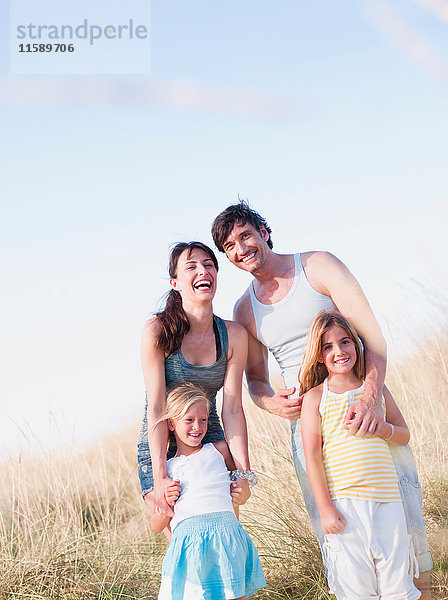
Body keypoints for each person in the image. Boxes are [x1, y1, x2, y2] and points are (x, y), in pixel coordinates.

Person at [211, 201, 432, 598]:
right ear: (227, 256)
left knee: (404, 532)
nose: (242, 247)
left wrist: (369, 394)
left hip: (362, 404)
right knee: (341, 536)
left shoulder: (318, 265)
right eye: (230, 245)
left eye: (246, 234)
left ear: (263, 230)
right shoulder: (244, 309)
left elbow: (373, 338)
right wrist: (271, 403)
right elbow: (257, 382)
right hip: (311, 424)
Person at [300, 311, 420, 600]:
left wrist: (383, 429)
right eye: (328, 347)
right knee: (356, 589)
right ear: (318, 356)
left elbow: (403, 434)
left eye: (345, 342)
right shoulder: (317, 397)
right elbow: (312, 456)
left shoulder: (375, 390)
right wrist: (325, 508)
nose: (339, 351)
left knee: (397, 587)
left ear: (356, 344)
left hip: (388, 501)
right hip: (345, 507)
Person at [137, 241, 255, 533]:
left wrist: (243, 473)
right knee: (182, 536)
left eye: (209, 264)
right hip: (163, 440)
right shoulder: (157, 331)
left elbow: (232, 408)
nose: (203, 270)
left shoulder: (234, 335)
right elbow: (156, 407)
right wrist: (161, 475)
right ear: (175, 282)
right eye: (191, 266)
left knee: (226, 531)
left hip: (209, 432)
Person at [151, 383, 266, 600]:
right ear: (172, 423)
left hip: (226, 538)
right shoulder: (168, 470)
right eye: (189, 420)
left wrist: (244, 489)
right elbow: (157, 526)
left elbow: (241, 480)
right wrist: (164, 508)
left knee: (234, 594)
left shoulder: (219, 450)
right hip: (190, 547)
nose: (198, 426)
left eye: (203, 419)